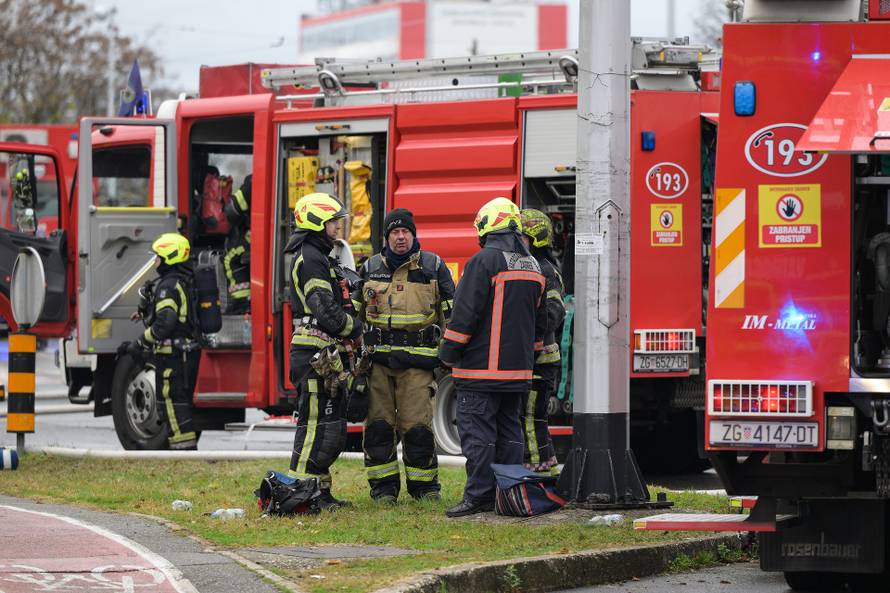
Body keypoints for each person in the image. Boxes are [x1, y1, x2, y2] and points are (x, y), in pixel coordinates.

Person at [439, 197, 547, 518]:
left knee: (478, 437)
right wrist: (530, 359)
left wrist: (447, 354)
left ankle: (479, 497)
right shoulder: (533, 265)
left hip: (480, 372)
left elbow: (464, 315)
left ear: (487, 226)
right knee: (511, 435)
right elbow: (540, 324)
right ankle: (509, 495)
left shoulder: (483, 262)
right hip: (518, 372)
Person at [356, 208, 455, 503]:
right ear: (386, 237)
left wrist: (451, 358)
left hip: (418, 366)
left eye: (405, 232)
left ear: (414, 234)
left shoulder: (433, 267)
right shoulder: (369, 268)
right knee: (378, 429)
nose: (401, 237)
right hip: (378, 366)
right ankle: (383, 490)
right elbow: (354, 315)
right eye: (395, 232)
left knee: (418, 429)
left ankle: (424, 488)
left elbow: (451, 313)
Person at [285, 192, 363, 511]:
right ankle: (297, 496)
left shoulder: (321, 256)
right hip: (313, 358)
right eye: (333, 221)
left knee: (329, 430)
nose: (338, 227)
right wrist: (355, 329)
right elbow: (324, 310)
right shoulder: (311, 257)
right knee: (314, 428)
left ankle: (321, 493)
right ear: (318, 222)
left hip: (326, 357)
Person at [130, 232, 200, 450]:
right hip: (183, 354)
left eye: (158, 257)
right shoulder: (181, 282)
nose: (156, 262)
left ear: (169, 257)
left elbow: (165, 323)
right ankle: (185, 448)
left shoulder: (168, 286)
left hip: (173, 357)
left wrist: (141, 342)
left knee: (172, 402)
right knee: (177, 402)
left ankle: (183, 451)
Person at [519, 209, 566, 475]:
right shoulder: (532, 266)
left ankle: (538, 470)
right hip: (531, 357)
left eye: (521, 236)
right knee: (532, 417)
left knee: (530, 417)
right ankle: (544, 464)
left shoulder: (547, 271)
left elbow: (553, 315)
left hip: (542, 357)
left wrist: (524, 325)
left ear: (534, 238)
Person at [223, 175, 252, 313]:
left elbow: (232, 211)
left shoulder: (254, 181)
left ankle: (241, 302)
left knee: (230, 258)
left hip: (256, 239)